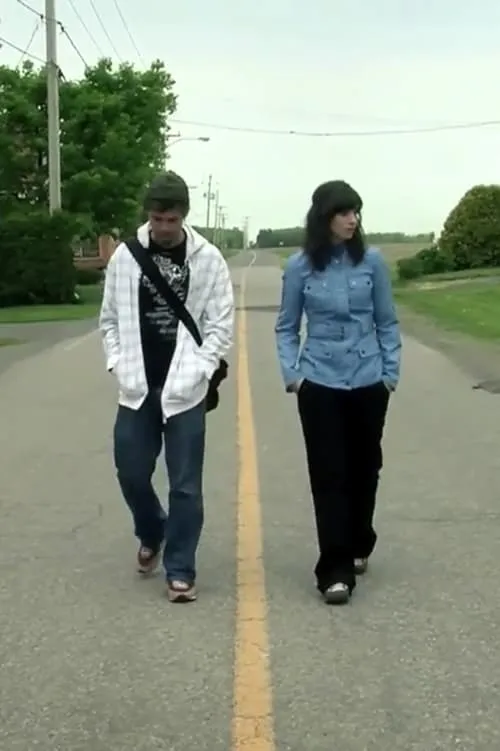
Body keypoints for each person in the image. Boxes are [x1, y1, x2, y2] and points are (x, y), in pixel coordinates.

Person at [99, 171, 234, 603]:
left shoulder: (209, 259)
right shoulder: (125, 257)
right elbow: (109, 320)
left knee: (185, 484)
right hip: (138, 386)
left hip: (185, 390)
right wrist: (118, 363)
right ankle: (152, 530)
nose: (162, 227)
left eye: (170, 220)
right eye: (156, 219)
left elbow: (220, 324)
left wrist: (202, 367)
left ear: (183, 217)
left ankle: (180, 568)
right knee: (132, 472)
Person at [275, 180, 401, 605]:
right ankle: (334, 568)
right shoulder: (299, 267)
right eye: (345, 213)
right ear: (325, 217)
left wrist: (390, 372)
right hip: (319, 380)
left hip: (368, 378)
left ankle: (359, 540)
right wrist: (294, 375)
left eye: (357, 213)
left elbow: (387, 321)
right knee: (329, 473)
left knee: (365, 469)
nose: (353, 220)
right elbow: (286, 327)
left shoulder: (373, 263)